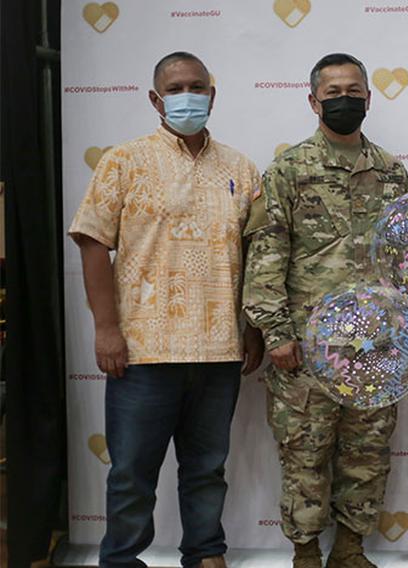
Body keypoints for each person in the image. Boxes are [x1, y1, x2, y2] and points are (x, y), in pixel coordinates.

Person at [69, 51, 264, 568]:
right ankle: (121, 559)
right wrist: (106, 329)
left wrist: (253, 329)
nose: (187, 96)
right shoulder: (123, 161)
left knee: (207, 467)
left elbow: (259, 256)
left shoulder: (241, 170)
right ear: (156, 99)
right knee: (132, 471)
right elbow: (92, 243)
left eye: (196, 86)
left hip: (220, 349)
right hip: (142, 352)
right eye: (175, 89)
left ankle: (205, 552)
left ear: (212, 94)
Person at [242, 53, 408, 568]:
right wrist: (275, 334)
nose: (345, 99)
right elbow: (266, 256)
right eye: (333, 92)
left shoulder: (391, 172)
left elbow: (406, 259)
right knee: (305, 455)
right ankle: (305, 555)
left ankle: (351, 550)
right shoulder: (289, 170)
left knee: (366, 455)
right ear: (314, 101)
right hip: (306, 348)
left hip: (376, 348)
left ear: (369, 98)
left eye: (354, 91)